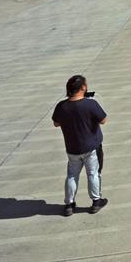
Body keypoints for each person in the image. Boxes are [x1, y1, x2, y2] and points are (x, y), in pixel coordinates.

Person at [51, 75, 109, 216]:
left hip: (72, 148)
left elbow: (56, 123)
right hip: (91, 148)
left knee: (72, 175)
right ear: (83, 88)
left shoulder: (61, 106)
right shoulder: (90, 104)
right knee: (93, 173)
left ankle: (69, 204)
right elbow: (103, 120)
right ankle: (96, 201)